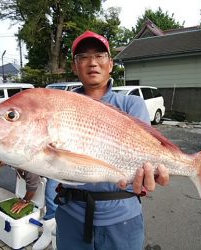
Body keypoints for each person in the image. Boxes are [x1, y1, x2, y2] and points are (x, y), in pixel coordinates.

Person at [54, 30, 169, 250]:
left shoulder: (131, 104)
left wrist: (151, 172)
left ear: (110, 64)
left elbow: (145, 154)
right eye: (84, 57)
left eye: (99, 56)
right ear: (74, 66)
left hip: (122, 217)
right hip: (70, 215)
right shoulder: (62, 105)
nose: (92, 63)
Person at [0, 153, 58, 250]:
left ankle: (51, 232)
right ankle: (49, 223)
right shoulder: (10, 157)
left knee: (51, 195)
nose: (1, 166)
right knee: (44, 195)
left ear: (1, 159)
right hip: (40, 164)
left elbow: (33, 185)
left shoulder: (26, 162)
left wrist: (24, 201)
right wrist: (19, 171)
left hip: (55, 167)